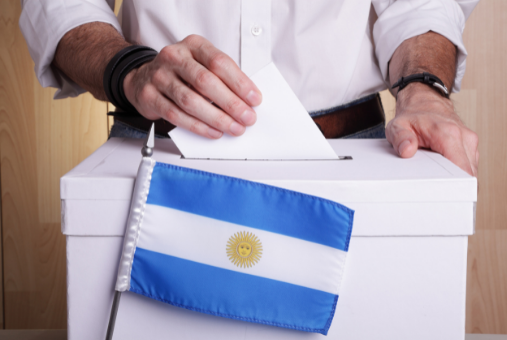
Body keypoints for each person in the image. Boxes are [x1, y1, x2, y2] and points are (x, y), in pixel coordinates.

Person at [19, 0, 479, 175]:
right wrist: (128, 69)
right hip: (160, 151)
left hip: (352, 155)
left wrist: (422, 88)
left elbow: (423, 3)